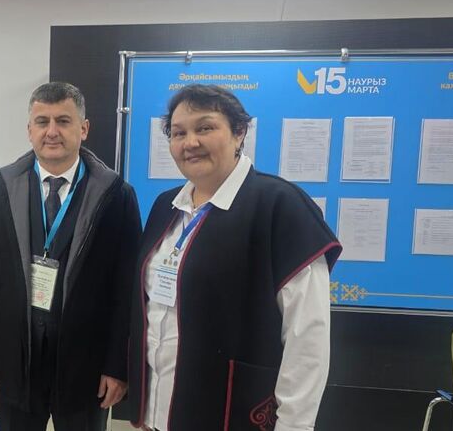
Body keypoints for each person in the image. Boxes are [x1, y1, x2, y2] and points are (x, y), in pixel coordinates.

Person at [126, 84, 343, 431]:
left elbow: (307, 338)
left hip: (231, 412)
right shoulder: (166, 207)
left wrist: (293, 426)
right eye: (178, 133)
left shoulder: (280, 206)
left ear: (239, 132)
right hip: (159, 411)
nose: (190, 142)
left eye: (205, 128)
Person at [0, 82, 142, 431]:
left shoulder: (116, 196)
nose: (52, 131)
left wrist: (117, 365)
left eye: (63, 120)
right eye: (42, 121)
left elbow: (126, 291)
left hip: (86, 368)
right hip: (14, 362)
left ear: (84, 129)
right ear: (29, 130)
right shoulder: (1, 190)